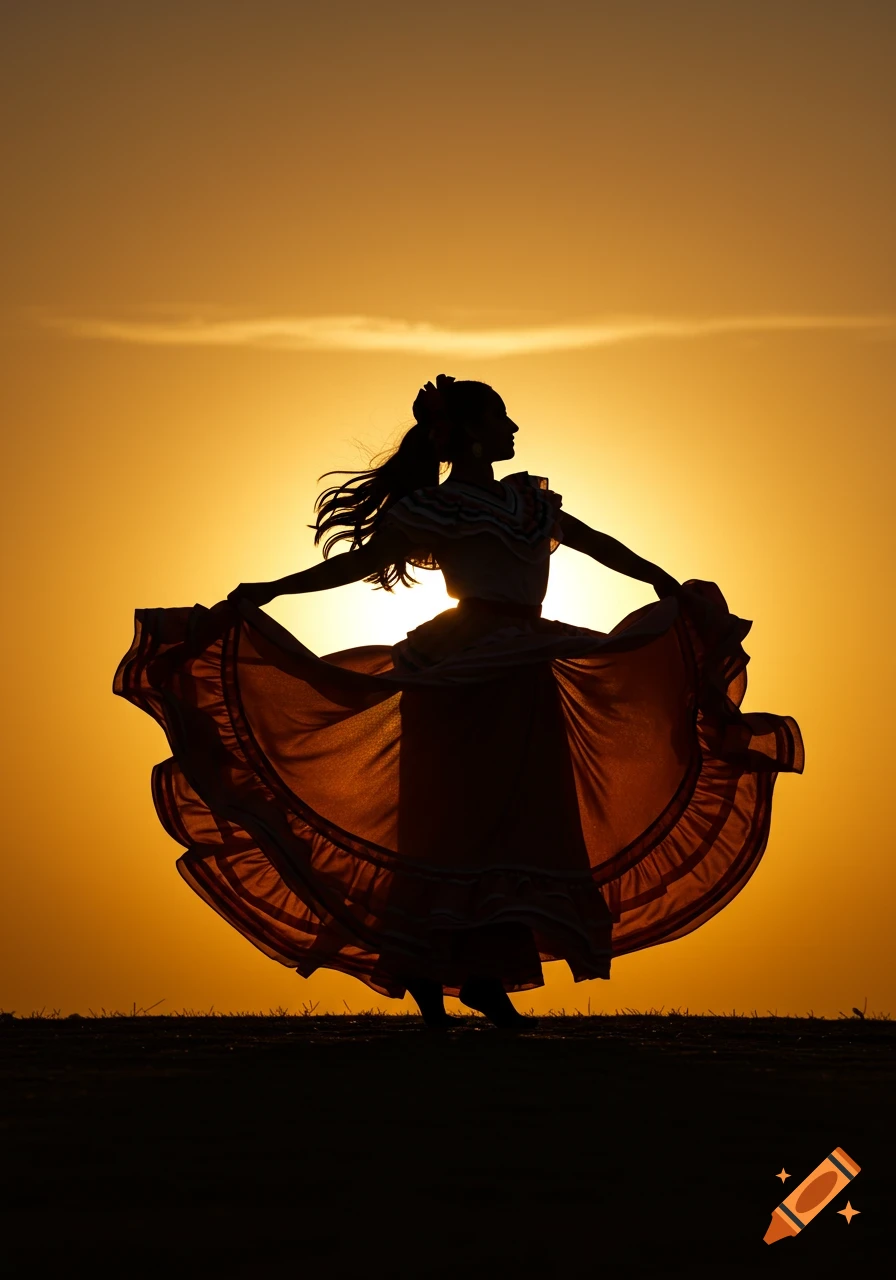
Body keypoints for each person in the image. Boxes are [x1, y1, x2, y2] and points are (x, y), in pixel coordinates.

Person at [114, 375, 804, 1030]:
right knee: (445, 819)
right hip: (456, 663)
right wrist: (273, 589)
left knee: (525, 820)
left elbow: (598, 545)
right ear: (472, 433)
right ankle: (431, 977)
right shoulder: (433, 508)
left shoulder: (533, 503)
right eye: (500, 417)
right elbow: (357, 563)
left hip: (524, 665)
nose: (512, 427)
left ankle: (480, 976)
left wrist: (661, 582)